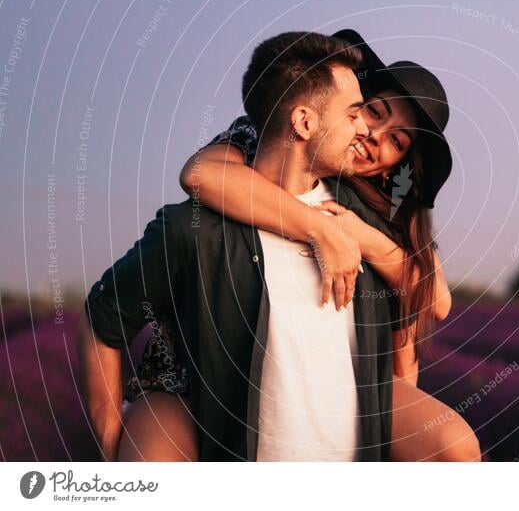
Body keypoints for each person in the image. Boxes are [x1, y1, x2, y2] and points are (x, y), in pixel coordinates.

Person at [116, 30, 481, 462]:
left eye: (397, 141)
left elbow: (432, 305)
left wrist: (363, 238)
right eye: (372, 112)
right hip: (197, 368)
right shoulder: (274, 141)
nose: (373, 135)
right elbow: (203, 174)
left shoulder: (391, 211)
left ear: (400, 163)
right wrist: (318, 227)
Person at [77, 31, 397, 461]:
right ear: (303, 122)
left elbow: (425, 293)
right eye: (355, 113)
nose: (365, 129)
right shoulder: (194, 230)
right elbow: (103, 317)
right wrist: (113, 444)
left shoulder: (363, 215)